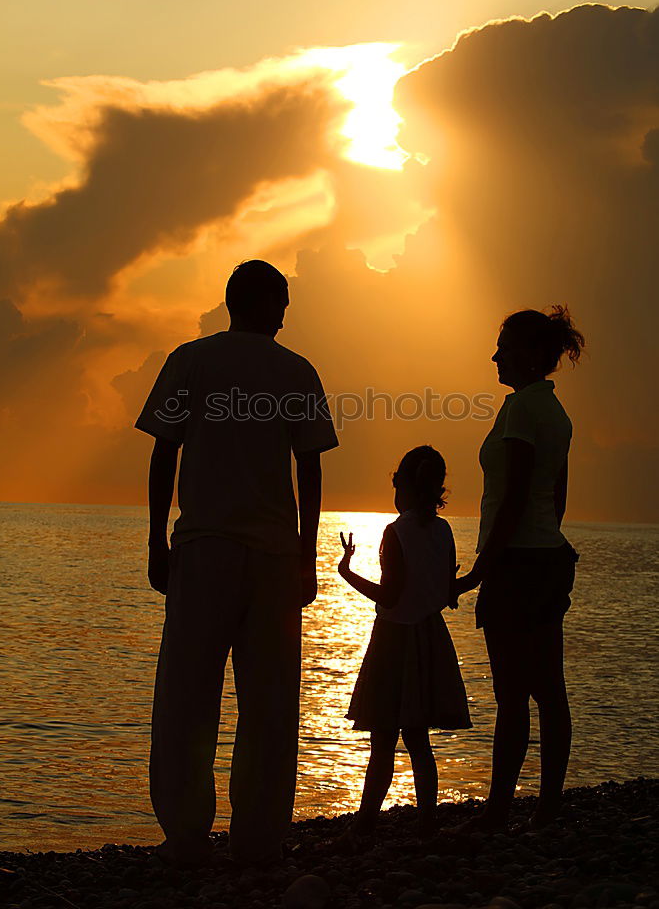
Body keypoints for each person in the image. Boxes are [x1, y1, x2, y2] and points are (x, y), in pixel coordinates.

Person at [135, 260, 338, 867]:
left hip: (204, 550)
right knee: (271, 703)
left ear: (228, 303)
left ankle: (186, 832)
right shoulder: (297, 371)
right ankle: (257, 837)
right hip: (273, 559)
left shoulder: (190, 360)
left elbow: (163, 455)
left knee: (186, 698)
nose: (286, 313)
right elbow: (311, 467)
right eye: (283, 302)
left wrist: (155, 542)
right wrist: (307, 555)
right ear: (272, 307)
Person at [456, 305, 584, 832]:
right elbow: (557, 496)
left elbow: (511, 499)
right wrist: (538, 541)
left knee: (513, 694)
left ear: (532, 354)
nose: (495, 355)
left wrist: (478, 571)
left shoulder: (520, 412)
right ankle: (547, 806)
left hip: (518, 564)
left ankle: (499, 812)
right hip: (548, 557)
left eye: (505, 346)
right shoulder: (555, 413)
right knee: (548, 688)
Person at [336, 445, 471, 844]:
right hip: (430, 638)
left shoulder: (394, 532)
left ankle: (363, 828)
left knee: (383, 741)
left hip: (395, 641)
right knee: (418, 741)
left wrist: (346, 572)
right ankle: (427, 824)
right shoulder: (444, 531)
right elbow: (449, 593)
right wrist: (477, 574)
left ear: (405, 487)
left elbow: (390, 597)